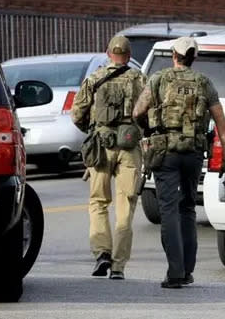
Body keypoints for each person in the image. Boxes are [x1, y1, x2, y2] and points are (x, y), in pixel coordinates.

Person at [132, 36, 225, 289]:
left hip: (165, 151)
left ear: (173, 55)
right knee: (188, 208)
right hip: (193, 152)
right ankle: (187, 270)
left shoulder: (158, 79)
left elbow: (137, 112)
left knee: (168, 210)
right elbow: (222, 125)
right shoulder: (204, 83)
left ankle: (175, 272)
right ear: (193, 58)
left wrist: (149, 130)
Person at [70, 35, 146, 280]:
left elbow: (77, 114)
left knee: (99, 202)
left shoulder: (94, 79)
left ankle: (102, 253)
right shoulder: (139, 79)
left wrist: (93, 132)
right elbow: (149, 113)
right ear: (129, 55)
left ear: (107, 53)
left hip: (101, 147)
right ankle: (118, 266)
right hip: (129, 146)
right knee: (126, 205)